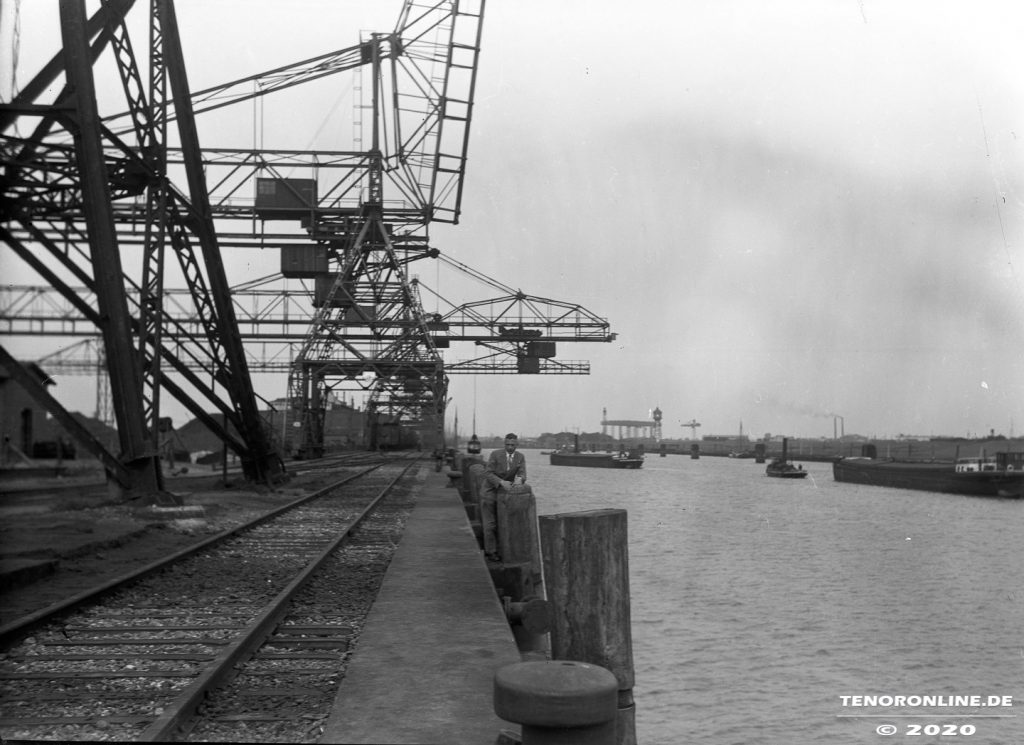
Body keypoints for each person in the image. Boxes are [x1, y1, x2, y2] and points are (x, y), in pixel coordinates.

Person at [481, 432, 527, 562]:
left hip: (505, 494)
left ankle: (504, 550)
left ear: (517, 444)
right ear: (504, 444)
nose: (510, 447)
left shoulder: (520, 457)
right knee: (490, 524)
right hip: (490, 492)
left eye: (513, 445)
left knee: (505, 522)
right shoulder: (495, 455)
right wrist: (501, 482)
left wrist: (519, 480)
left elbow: (522, 473)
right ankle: (491, 552)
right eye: (508, 444)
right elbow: (488, 473)